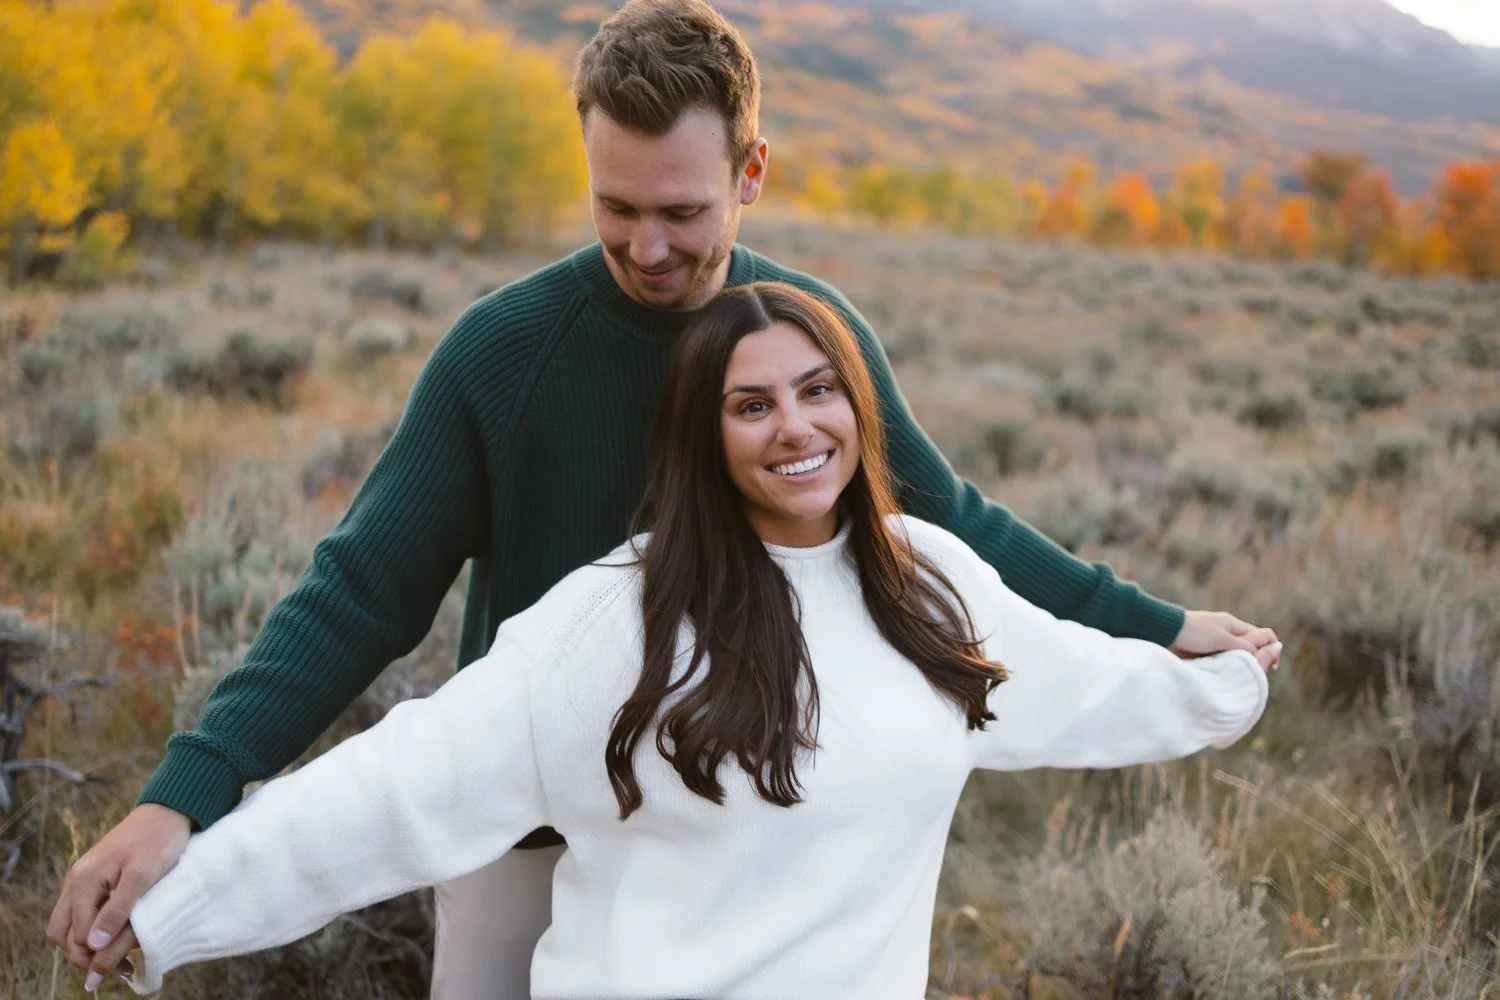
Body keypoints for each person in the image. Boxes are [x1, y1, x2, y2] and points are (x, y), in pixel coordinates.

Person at [47, 1, 1282, 994]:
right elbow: (361, 591)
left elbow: (951, 519)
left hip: (739, 820)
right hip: (514, 817)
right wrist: (184, 795)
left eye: (683, 213)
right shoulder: (504, 354)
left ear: (752, 172)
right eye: (615, 208)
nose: (646, 248)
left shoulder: (810, 342)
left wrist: (1160, 624)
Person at [109, 282, 1269, 997]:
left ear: (859, 406)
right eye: (751, 405)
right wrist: (164, 912)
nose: (796, 428)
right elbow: (393, 786)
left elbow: (1081, 680)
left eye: (819, 392)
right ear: (702, 437)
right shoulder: (613, 618)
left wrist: (1217, 678)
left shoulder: (932, 586)